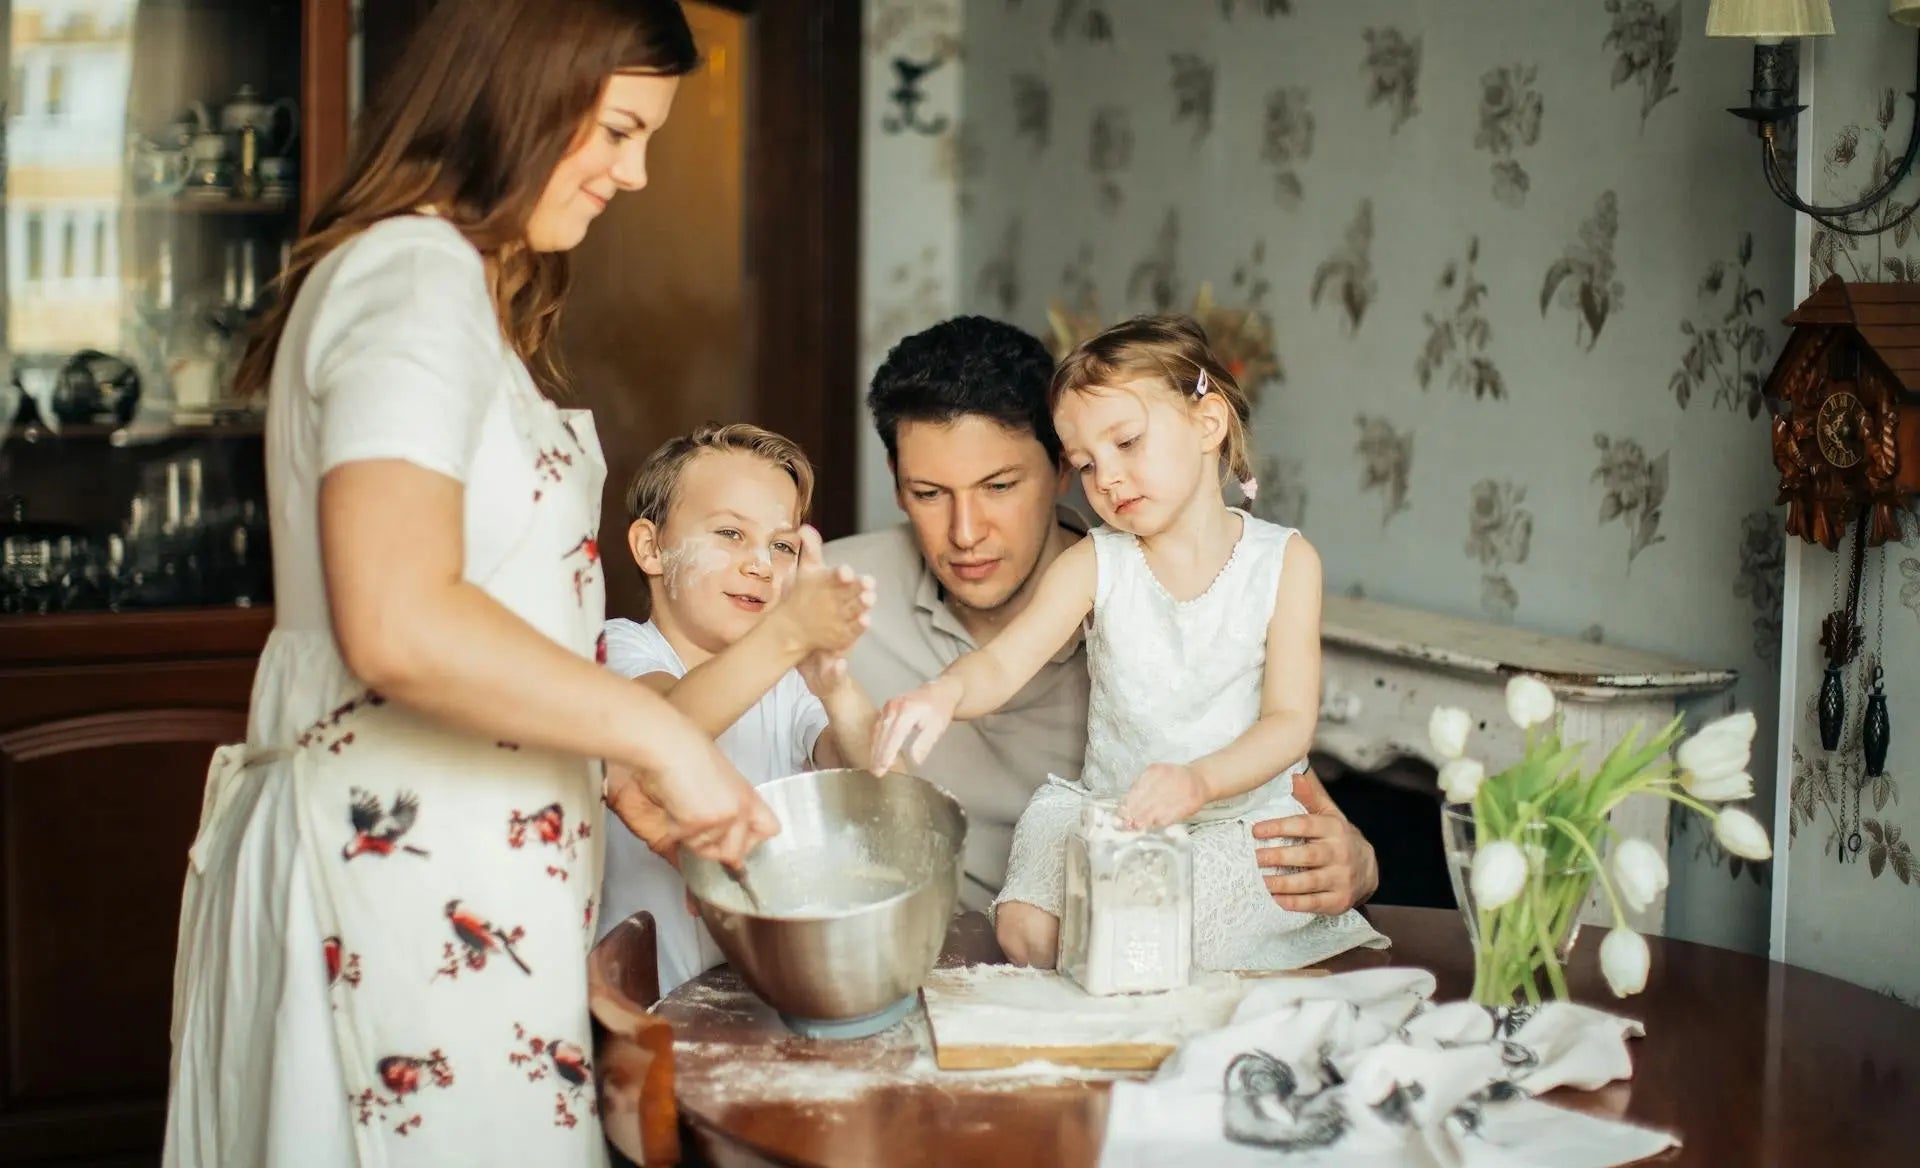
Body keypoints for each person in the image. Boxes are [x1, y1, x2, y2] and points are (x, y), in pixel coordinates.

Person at [163, 3, 774, 1165]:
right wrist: (662, 742)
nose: (634, 174)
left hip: (470, 880)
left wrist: (600, 759)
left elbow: (496, 608)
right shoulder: (409, 278)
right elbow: (397, 619)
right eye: (615, 130)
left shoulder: (462, 291)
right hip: (395, 884)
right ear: (521, 93)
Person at [869, 314, 1386, 972]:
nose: (1107, 478)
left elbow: (1289, 723)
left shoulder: (1284, 562)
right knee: (1025, 927)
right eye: (1086, 464)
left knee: (1174, 942)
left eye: (1127, 444)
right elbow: (1003, 663)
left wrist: (1200, 782)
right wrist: (942, 694)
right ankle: (1109, 989)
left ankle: (1139, 985)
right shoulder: (1096, 563)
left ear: (1208, 423)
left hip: (1225, 819)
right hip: (1111, 809)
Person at [597, 422, 878, 992]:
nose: (761, 565)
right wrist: (789, 633)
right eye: (730, 533)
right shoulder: (619, 648)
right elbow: (661, 729)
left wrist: (836, 686)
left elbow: (883, 783)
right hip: (650, 1017)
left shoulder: (787, 682)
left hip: (768, 999)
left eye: (781, 545)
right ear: (651, 548)